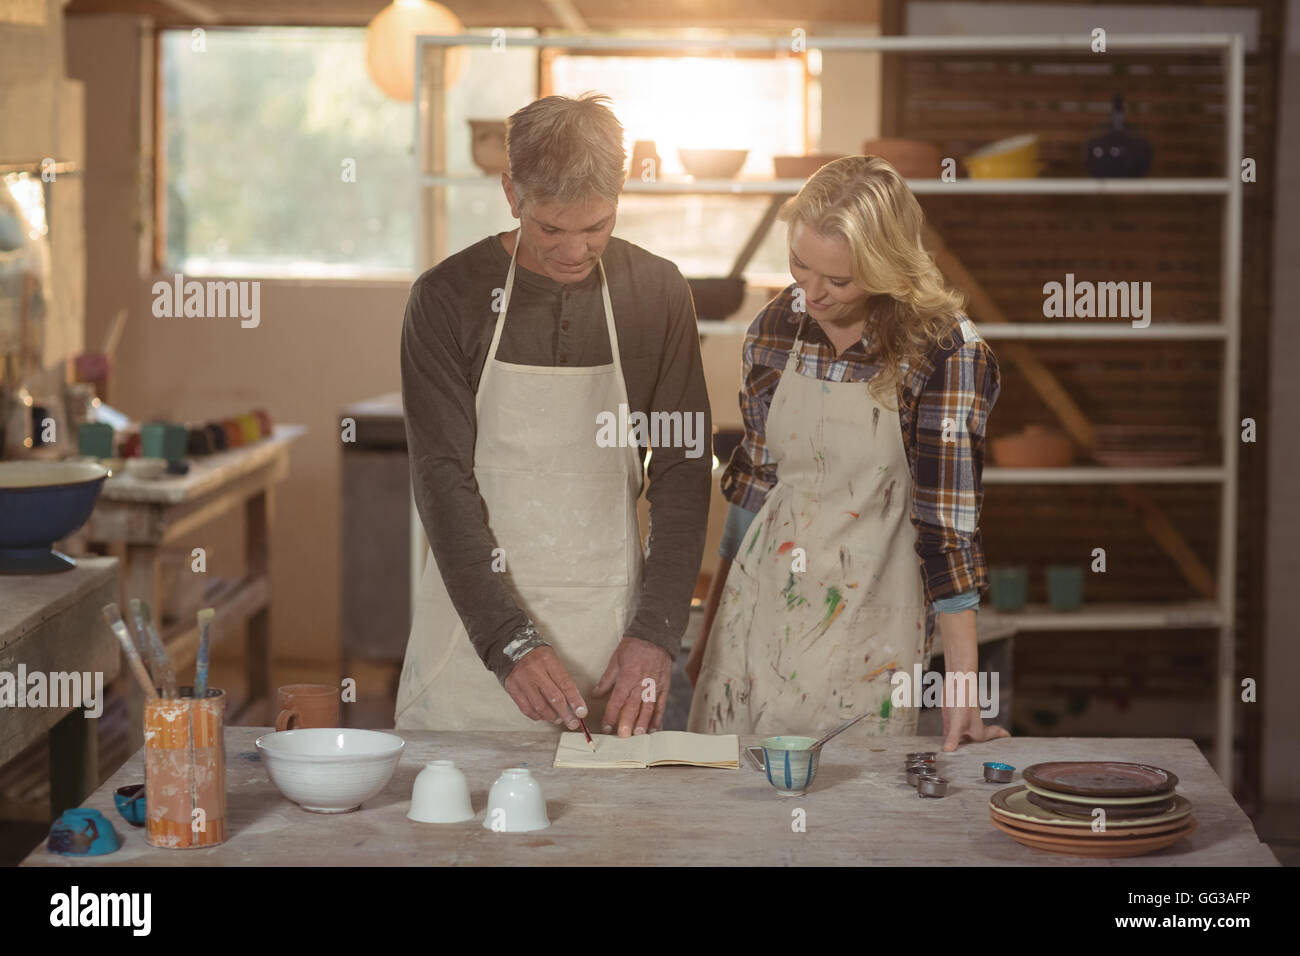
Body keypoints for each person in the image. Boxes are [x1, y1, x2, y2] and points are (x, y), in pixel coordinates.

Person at [396, 93, 711, 737]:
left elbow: (682, 469)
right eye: (551, 230)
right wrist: (506, 643)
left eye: (597, 227)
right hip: (473, 643)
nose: (575, 251)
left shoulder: (657, 293)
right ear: (512, 193)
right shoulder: (446, 297)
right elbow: (441, 480)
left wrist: (656, 634)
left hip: (611, 649)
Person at [687, 155, 1009, 751]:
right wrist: (709, 634)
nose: (810, 295)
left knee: (848, 801)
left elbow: (948, 527)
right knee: (727, 798)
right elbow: (754, 483)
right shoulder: (775, 328)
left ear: (888, 268)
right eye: (798, 266)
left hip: (871, 611)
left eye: (837, 282)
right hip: (759, 599)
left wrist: (962, 684)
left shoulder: (944, 353)